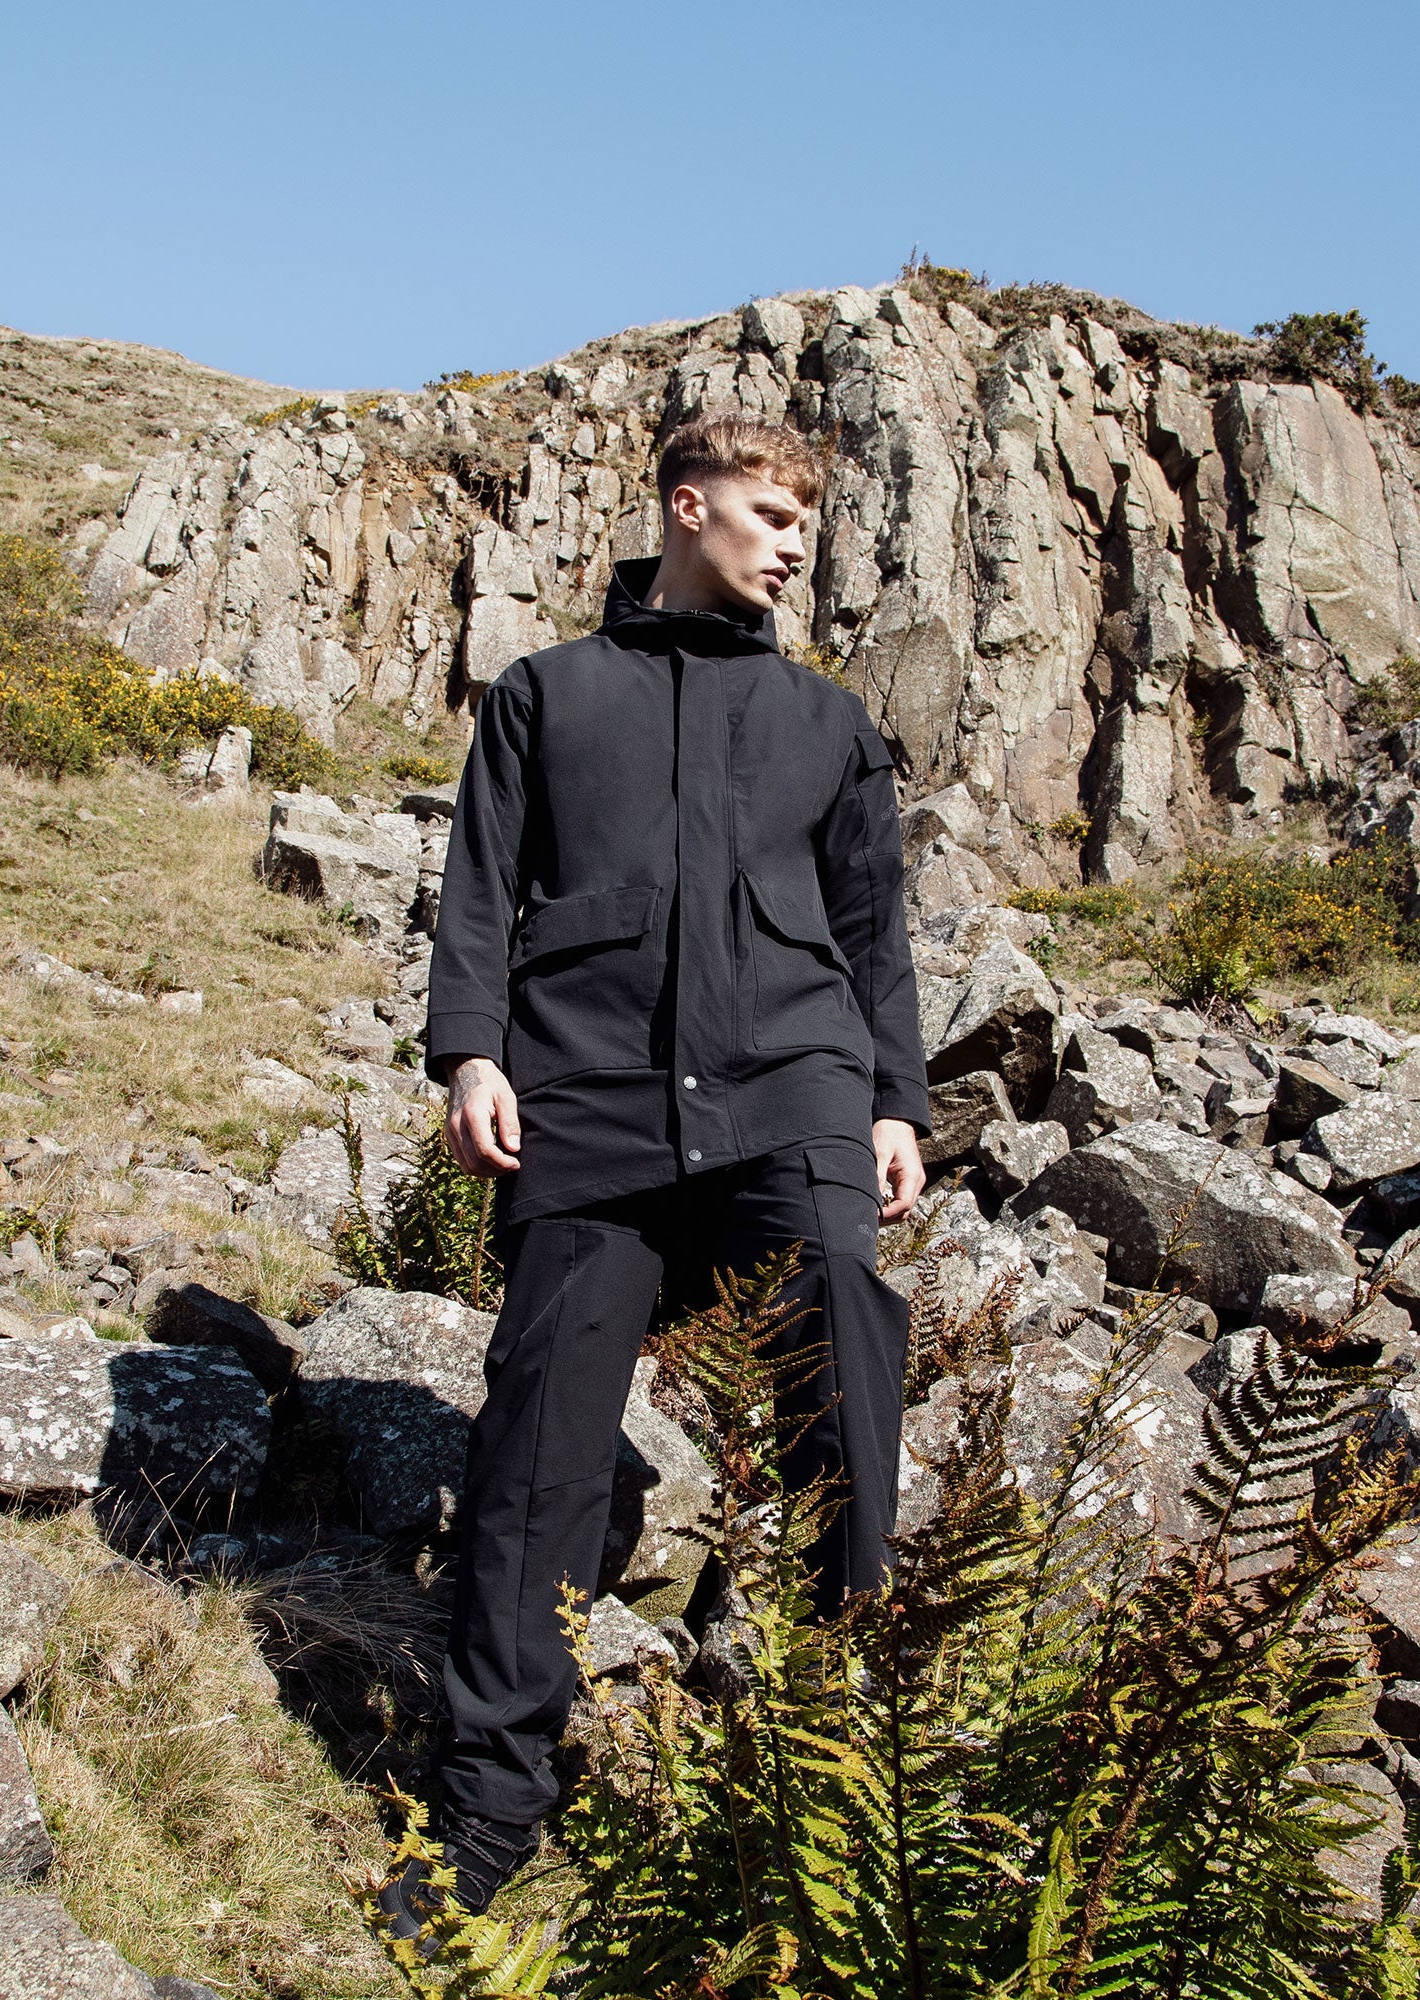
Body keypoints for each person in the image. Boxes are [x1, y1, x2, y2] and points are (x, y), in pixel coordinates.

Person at [379, 412, 930, 1947]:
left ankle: (841, 1762)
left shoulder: (829, 725)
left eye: (807, 522)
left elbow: (875, 932)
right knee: (540, 1439)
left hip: (793, 1089)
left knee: (841, 1339)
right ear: (688, 507)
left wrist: (896, 1100)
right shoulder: (547, 696)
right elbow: (480, 893)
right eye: (771, 513)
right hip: (591, 1098)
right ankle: (486, 1811)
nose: (797, 543)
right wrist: (470, 1056)